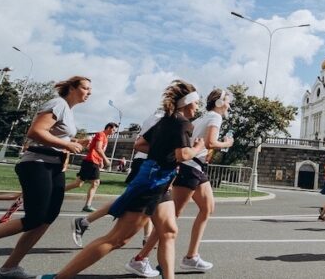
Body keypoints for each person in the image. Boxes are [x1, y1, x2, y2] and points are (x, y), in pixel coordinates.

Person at [45, 80, 206, 279]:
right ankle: (60, 277)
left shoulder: (166, 120)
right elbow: (183, 155)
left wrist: (164, 154)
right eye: (197, 103)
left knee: (169, 231)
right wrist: (198, 148)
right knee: (117, 239)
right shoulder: (183, 123)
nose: (198, 107)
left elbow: (140, 144)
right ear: (188, 103)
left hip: (159, 181)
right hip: (152, 181)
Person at [0, 76, 91, 279]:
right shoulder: (57, 104)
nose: (89, 92)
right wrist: (67, 145)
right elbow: (36, 131)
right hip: (36, 164)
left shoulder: (68, 109)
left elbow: (55, 135)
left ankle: (9, 268)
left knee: (47, 219)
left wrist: (74, 141)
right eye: (86, 88)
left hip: (54, 167)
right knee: (35, 218)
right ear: (72, 88)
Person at [125, 88, 234, 275]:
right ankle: (140, 258)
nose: (229, 105)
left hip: (196, 167)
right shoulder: (215, 117)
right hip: (190, 168)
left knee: (207, 208)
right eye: (228, 101)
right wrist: (227, 143)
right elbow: (210, 142)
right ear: (218, 103)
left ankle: (191, 257)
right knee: (170, 218)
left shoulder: (202, 117)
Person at [70, 110, 163, 253]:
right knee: (140, 202)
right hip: (149, 162)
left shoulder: (155, 116)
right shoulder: (163, 118)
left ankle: (146, 239)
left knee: (150, 203)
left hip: (146, 161)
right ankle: (85, 223)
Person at [66, 122, 118, 212]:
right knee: (95, 183)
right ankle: (87, 205)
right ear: (109, 128)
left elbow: (99, 149)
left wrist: (101, 160)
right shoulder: (101, 134)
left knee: (78, 183)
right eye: (113, 130)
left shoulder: (105, 137)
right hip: (91, 161)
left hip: (92, 161)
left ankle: (56, 191)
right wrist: (105, 159)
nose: (114, 132)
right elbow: (98, 148)